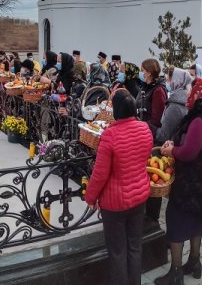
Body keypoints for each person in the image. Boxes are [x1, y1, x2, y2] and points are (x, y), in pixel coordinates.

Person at [82, 90, 151, 285]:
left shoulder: (110, 135)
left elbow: (100, 173)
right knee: (135, 246)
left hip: (115, 203)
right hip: (139, 197)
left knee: (117, 251)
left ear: (116, 111)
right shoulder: (145, 128)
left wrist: (90, 197)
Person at [155, 87, 202, 285]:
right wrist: (175, 145)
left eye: (194, 93)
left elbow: (189, 152)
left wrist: (172, 151)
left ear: (199, 97)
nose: (189, 96)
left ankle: (176, 272)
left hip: (190, 182)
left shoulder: (199, 120)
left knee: (175, 222)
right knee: (196, 220)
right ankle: (194, 263)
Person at [157, 68, 191, 146]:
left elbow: (164, 136)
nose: (166, 82)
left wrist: (149, 127)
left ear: (175, 81)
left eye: (168, 79)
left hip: (167, 148)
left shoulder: (175, 106)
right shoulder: (185, 98)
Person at [138, 59, 167, 138]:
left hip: (148, 134)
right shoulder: (146, 86)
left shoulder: (158, 91)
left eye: (142, 70)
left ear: (149, 73)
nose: (140, 73)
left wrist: (139, 126)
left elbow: (157, 119)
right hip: (142, 128)